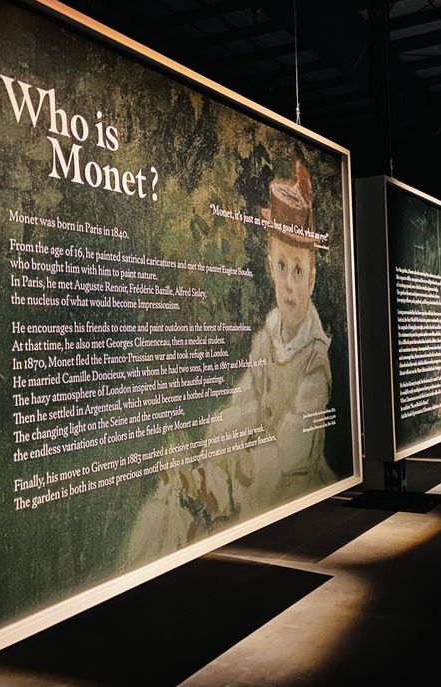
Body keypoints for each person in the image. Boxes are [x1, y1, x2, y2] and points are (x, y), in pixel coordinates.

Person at [126, 160, 334, 564]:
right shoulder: (266, 338)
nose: (289, 286)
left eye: (298, 271)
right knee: (189, 496)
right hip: (257, 468)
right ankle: (196, 497)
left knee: (237, 496)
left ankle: (211, 500)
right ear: (270, 267)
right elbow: (246, 400)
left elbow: (292, 450)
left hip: (292, 479)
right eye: (282, 268)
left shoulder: (314, 358)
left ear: (311, 279)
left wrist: (238, 473)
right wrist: (217, 445)